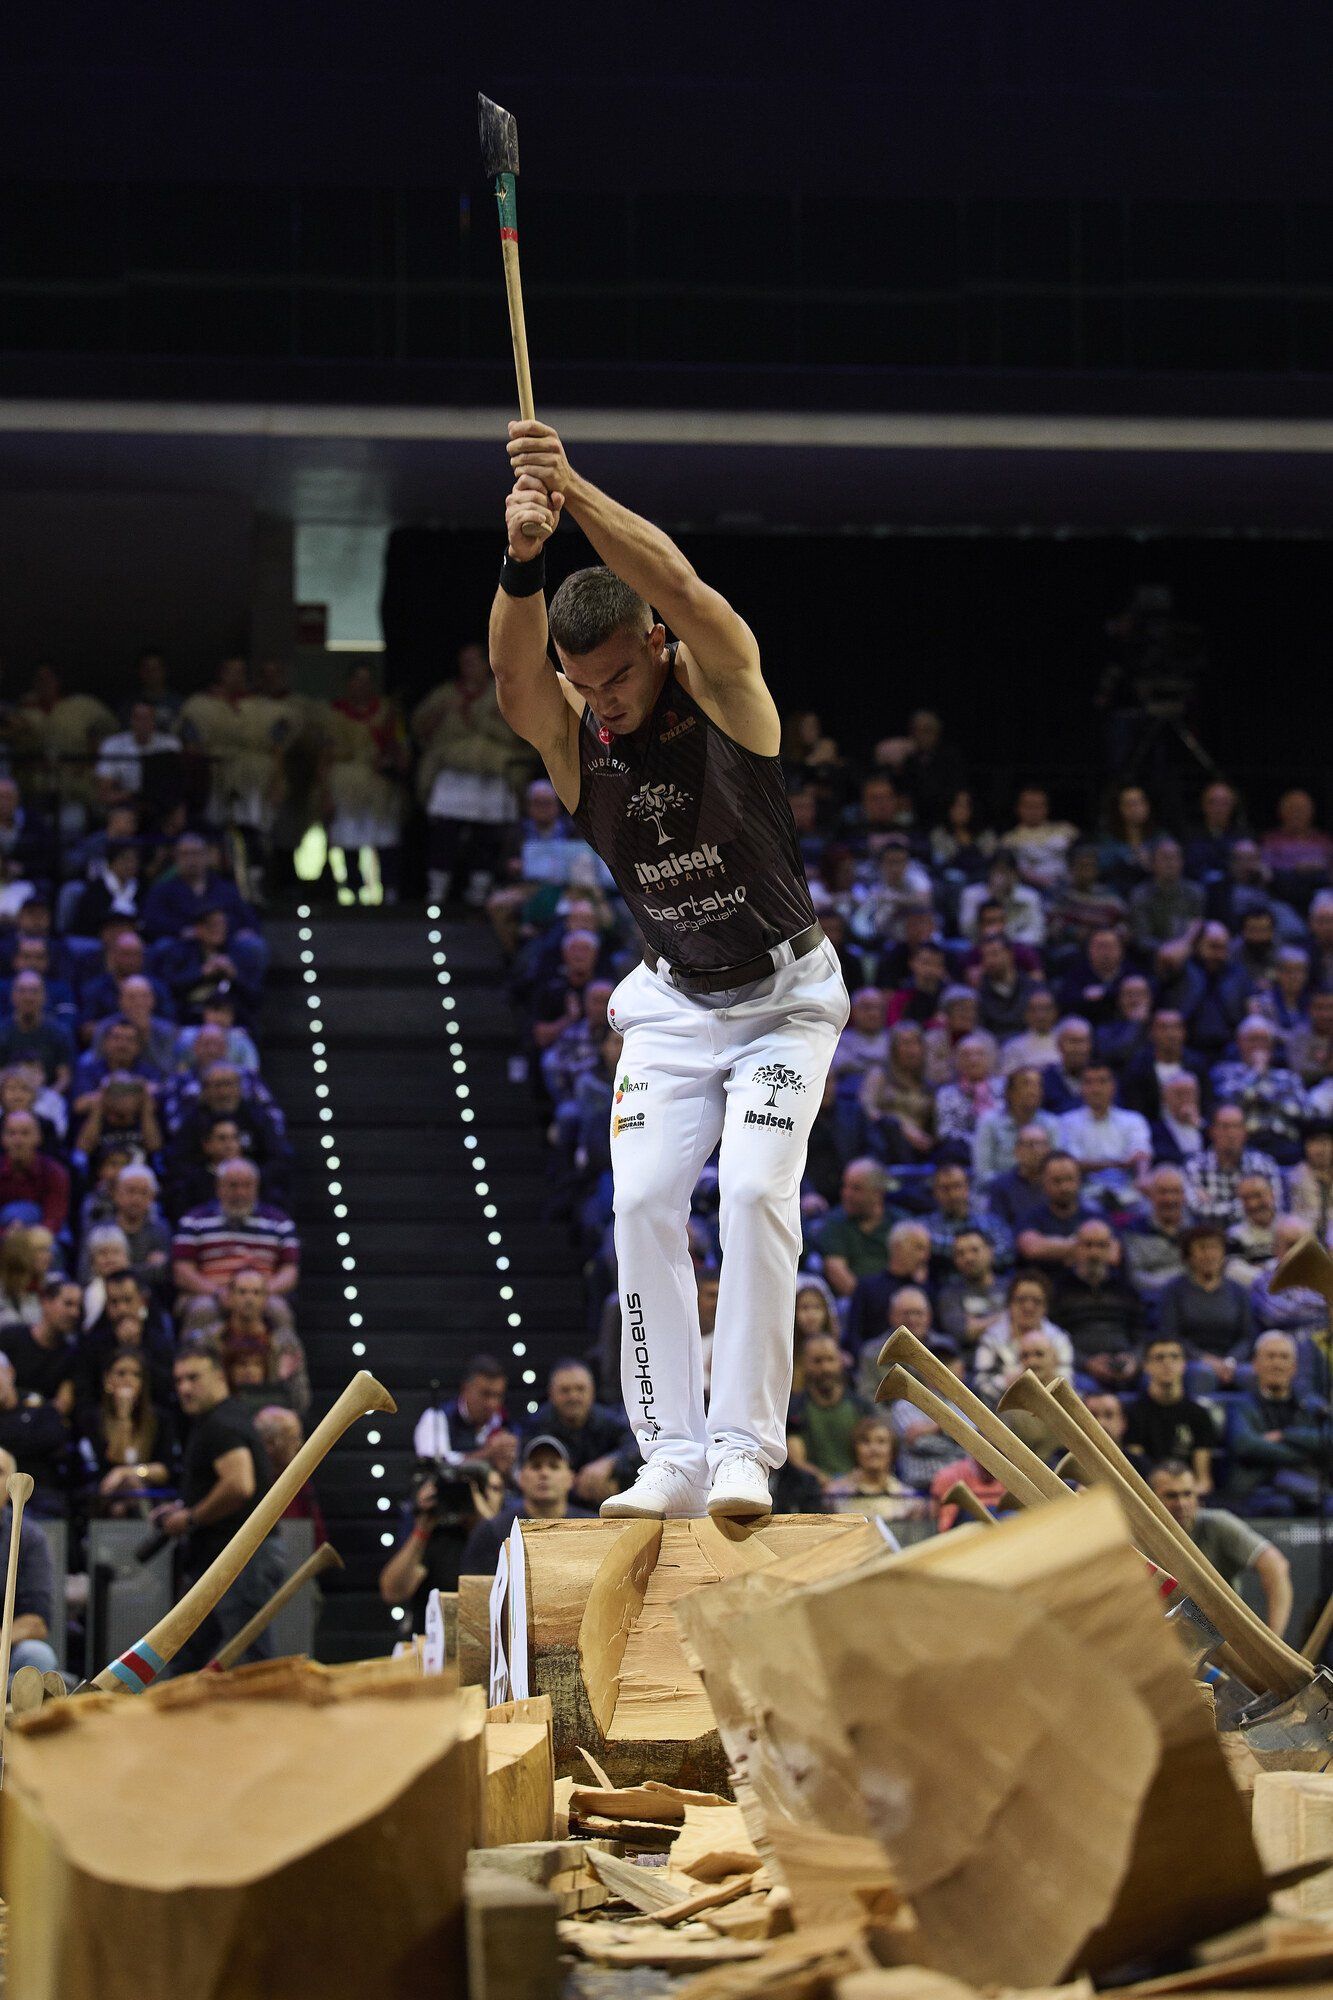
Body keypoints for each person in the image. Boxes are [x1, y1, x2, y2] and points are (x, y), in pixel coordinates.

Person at [492, 420, 855, 1523]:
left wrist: (571, 486)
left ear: (653, 645)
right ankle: (673, 1458)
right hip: (671, 1005)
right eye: (583, 682)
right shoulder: (575, 737)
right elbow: (512, 678)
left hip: (784, 1003)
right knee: (644, 1200)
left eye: (615, 675)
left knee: (751, 1191)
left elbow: (685, 585)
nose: (600, 699)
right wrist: (523, 554)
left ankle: (744, 1448)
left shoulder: (725, 687)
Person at [154, 1340, 286, 1675]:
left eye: (193, 1377)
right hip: (225, 1558)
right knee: (187, 1656)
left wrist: (190, 1517)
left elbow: (239, 1484)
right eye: (179, 1380)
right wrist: (184, 1508)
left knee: (251, 1663)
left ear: (219, 1377)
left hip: (238, 1559)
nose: (184, 1388)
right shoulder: (219, 1420)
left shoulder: (221, 1424)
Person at [1148, 1459, 1292, 1635]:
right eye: (1171, 1496)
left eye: (1188, 1494)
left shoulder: (1217, 1524)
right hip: (1157, 1635)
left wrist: (1274, 1637)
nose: (1181, 1503)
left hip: (1220, 1635)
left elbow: (1276, 1566)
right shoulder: (1137, 1534)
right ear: (1149, 1497)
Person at [379, 1456, 505, 1630]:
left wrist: (486, 1521)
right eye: (471, 1490)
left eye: (494, 1488)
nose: (483, 1496)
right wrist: (422, 1527)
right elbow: (393, 1592)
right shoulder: (439, 1539)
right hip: (438, 1639)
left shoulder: (506, 1538)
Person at [171, 1159, 300, 1317]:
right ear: (218, 1187)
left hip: (264, 1293)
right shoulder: (193, 1221)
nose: (240, 1193)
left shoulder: (280, 1222)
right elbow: (182, 1270)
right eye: (233, 1185)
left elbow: (290, 1272)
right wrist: (218, 1292)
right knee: (203, 1309)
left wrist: (259, 1292)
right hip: (209, 1294)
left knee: (278, 1309)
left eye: (247, 1185)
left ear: (257, 1187)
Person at [1229, 1330, 1333, 1515]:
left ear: (1294, 1367)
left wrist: (1284, 1435)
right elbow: (1245, 1445)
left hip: (1307, 1486)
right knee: (1280, 1506)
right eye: (1270, 1356)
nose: (1277, 1363)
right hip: (1258, 1490)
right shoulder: (1241, 1404)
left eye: (1284, 1357)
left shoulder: (1312, 1405)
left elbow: (1328, 1439)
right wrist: (1304, 1455)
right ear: (1255, 1364)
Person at [458, 1434, 586, 1574]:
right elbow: (476, 1585)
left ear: (571, 1478)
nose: (544, 1473)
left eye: (554, 1466)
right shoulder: (491, 1532)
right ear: (520, 1478)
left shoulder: (590, 1528)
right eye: (536, 1466)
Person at [519, 1359, 633, 1508]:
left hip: (605, 1502)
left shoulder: (609, 1420)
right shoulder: (535, 1426)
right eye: (565, 1390)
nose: (573, 1397)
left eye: (580, 1389)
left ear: (592, 1391)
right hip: (554, 1505)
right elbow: (526, 1473)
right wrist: (576, 1484)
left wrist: (610, 1462)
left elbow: (636, 1445)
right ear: (551, 1394)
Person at [1050, 1218, 1143, 1387]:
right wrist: (1086, 1363)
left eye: (1101, 1245)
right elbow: (1053, 1338)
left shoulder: (1126, 1289)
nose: (1094, 1253)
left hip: (1125, 1366)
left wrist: (1134, 1359)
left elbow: (1142, 1334)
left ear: (1110, 1249)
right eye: (1088, 1245)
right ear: (1076, 1248)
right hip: (1079, 1370)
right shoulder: (1058, 1290)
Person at [1158, 1223, 1254, 1383]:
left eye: (1215, 1247)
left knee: (1250, 1374)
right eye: (1202, 1248)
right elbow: (1171, 1335)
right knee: (1203, 1373)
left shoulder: (1238, 1291)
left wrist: (1230, 1361)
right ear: (1189, 1255)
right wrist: (1204, 1359)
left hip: (1232, 1361)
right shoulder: (1174, 1290)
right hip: (1191, 1360)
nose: (1209, 1254)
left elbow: (1247, 1337)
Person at [0, 1448, 61, 1684]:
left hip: (5, 1649)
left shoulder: (28, 1537)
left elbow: (37, 1622)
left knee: (37, 1655)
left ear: (11, 1486)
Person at [1122, 1336, 1216, 1490]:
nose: (1167, 1363)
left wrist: (1188, 1496)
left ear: (1184, 1364)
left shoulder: (1199, 1414)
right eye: (1159, 1358)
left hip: (1187, 1493)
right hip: (1148, 1494)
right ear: (1146, 1366)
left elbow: (1203, 1480)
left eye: (1174, 1357)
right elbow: (1136, 1474)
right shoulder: (1133, 1413)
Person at [973, 1270, 1075, 1405]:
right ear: (1010, 1303)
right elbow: (981, 1386)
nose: (1028, 1307)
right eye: (1021, 1300)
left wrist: (1046, 1378)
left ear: (1046, 1307)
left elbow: (1068, 1385)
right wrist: (1015, 1380)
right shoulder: (991, 1338)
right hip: (1002, 1408)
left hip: (1050, 1406)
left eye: (1036, 1301)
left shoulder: (1059, 1339)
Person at [785, 1333, 873, 1482]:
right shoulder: (793, 1410)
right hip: (809, 1490)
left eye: (830, 1359)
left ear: (840, 1361)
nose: (825, 1368)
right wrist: (826, 1483)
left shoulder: (861, 1408)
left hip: (857, 1486)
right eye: (817, 1361)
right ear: (804, 1364)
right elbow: (797, 1461)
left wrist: (847, 1483)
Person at [1182, 1105, 1285, 1228]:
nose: (1231, 1133)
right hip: (1210, 1235)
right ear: (1212, 1131)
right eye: (1225, 1127)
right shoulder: (1194, 1166)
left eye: (1237, 1126)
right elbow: (1194, 1210)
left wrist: (1212, 1205)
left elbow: (1274, 1207)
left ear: (1245, 1132)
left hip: (1256, 1235)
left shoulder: (1264, 1164)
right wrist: (1251, 1203)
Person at [813, 1158, 894, 1300]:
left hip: (896, 1300)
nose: (846, 1194)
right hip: (853, 1301)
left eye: (856, 1189)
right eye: (845, 1186)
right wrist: (869, 1303)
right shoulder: (835, 1222)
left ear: (878, 1193)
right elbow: (837, 1274)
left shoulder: (899, 1222)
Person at [824, 1415, 928, 1524]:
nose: (873, 1449)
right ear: (855, 1449)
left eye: (881, 1441)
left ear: (892, 1450)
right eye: (865, 1442)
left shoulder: (912, 1501)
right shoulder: (832, 1495)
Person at [413, 1353, 511, 1464]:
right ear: (465, 1389)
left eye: (498, 1396)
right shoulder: (436, 1418)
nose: (492, 1403)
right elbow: (435, 1465)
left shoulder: (505, 1423)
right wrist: (487, 1454)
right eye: (485, 1394)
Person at [935, 1227, 1007, 1354]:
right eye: (960, 1253)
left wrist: (978, 1323)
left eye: (975, 1250)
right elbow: (963, 1332)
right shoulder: (949, 1295)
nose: (968, 1258)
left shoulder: (1011, 1287)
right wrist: (1006, 1317)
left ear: (990, 1251)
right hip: (969, 1362)